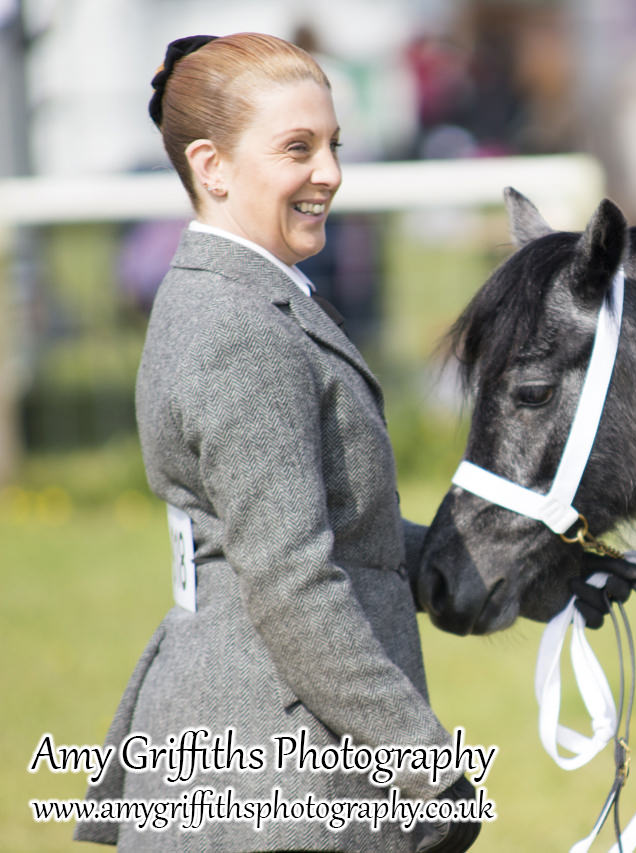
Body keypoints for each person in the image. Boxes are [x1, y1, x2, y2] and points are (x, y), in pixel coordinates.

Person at [73, 33, 479, 852]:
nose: (328, 172)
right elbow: (292, 576)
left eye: (333, 145)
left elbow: (332, 524)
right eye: (298, 148)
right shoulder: (240, 330)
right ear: (212, 166)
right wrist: (424, 764)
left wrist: (504, 570)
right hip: (273, 779)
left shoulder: (233, 297)